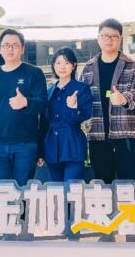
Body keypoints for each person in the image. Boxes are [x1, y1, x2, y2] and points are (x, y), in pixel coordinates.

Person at [79, 19, 135, 183]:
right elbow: (82, 98)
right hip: (97, 134)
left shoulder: (132, 66)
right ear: (98, 38)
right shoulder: (88, 68)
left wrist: (125, 98)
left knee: (130, 182)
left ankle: (130, 203)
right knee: (102, 183)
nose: (109, 40)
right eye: (105, 36)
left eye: (114, 36)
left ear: (120, 39)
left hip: (125, 134)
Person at [0, 29, 48, 186]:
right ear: (0, 49)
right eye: (6, 45)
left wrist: (26, 102)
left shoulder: (34, 73)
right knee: (2, 192)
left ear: (22, 49)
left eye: (15, 45)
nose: (10, 49)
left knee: (22, 191)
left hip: (25, 145)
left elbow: (43, 104)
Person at [38, 48, 93, 182]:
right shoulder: (49, 91)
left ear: (73, 66)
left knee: (72, 188)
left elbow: (86, 114)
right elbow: (44, 123)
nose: (62, 67)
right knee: (56, 189)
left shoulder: (82, 88)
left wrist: (74, 107)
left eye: (67, 63)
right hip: (52, 146)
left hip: (73, 144)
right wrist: (40, 152)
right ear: (53, 66)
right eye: (58, 63)